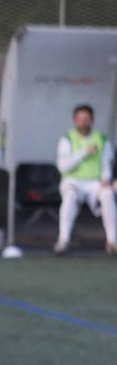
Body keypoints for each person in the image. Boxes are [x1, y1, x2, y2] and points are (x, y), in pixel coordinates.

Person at [53, 103, 115, 255]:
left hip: (95, 183)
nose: (83, 122)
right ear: (75, 121)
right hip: (73, 181)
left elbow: (106, 163)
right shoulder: (67, 138)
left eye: (86, 118)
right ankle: (63, 240)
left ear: (92, 120)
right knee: (70, 196)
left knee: (107, 194)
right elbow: (63, 167)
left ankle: (112, 242)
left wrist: (106, 179)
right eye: (80, 119)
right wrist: (84, 152)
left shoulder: (101, 139)